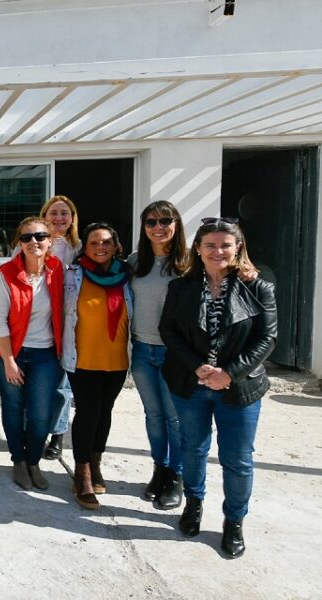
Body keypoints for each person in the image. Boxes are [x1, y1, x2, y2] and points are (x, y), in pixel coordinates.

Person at [159, 218, 276, 559]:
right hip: (190, 383)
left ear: (238, 247)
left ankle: (234, 521)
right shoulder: (181, 287)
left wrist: (229, 374)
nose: (218, 251)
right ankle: (193, 504)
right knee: (193, 448)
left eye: (225, 244)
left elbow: (267, 338)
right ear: (198, 248)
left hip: (239, 389)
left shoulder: (259, 288)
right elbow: (168, 330)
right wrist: (197, 365)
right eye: (210, 244)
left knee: (237, 459)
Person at [0, 217, 64, 491]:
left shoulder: (58, 270)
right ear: (18, 243)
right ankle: (18, 460)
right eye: (26, 237)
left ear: (50, 241)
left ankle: (33, 462)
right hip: (7, 350)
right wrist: (9, 361)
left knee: (41, 413)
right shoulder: (6, 274)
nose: (34, 242)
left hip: (45, 353)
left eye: (40, 236)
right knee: (13, 405)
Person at [62, 222, 133, 510]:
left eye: (106, 242)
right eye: (93, 242)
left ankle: (95, 462)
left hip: (117, 359)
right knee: (88, 412)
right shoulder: (73, 274)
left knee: (105, 412)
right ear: (85, 247)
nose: (100, 247)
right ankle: (82, 474)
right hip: (83, 359)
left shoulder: (128, 275)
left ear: (116, 246)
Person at [128, 201, 189, 510]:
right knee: (153, 415)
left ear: (176, 224)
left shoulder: (190, 262)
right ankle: (159, 468)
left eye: (165, 220)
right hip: (142, 349)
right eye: (151, 222)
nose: (158, 227)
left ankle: (176, 475)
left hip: (174, 352)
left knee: (175, 418)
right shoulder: (136, 261)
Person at [39, 195, 81, 460]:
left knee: (62, 384)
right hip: (39, 321)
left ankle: (57, 434)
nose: (59, 218)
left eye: (64, 213)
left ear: (72, 218)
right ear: (44, 216)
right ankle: (34, 429)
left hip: (69, 323)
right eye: (53, 213)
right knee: (38, 381)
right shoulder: (34, 242)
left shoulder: (79, 248)